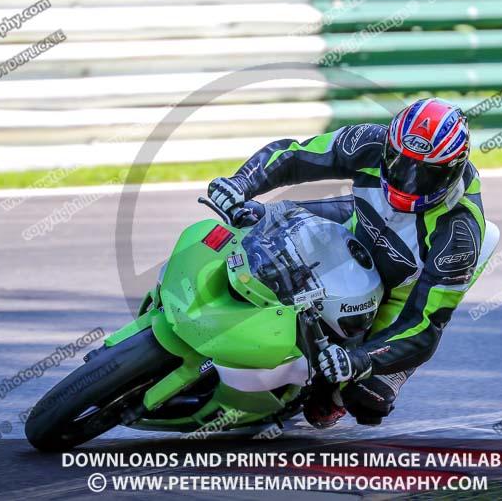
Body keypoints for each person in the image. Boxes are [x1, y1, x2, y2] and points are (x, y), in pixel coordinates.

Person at [208, 98, 487, 427]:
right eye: (400, 164)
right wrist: (242, 183)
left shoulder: (459, 232)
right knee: (253, 220)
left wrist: (360, 360)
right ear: (389, 145)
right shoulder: (369, 141)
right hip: (356, 223)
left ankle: (333, 395)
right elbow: (294, 154)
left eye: (424, 175)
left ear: (452, 170)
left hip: (399, 292)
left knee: (368, 398)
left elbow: (425, 325)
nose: (407, 181)